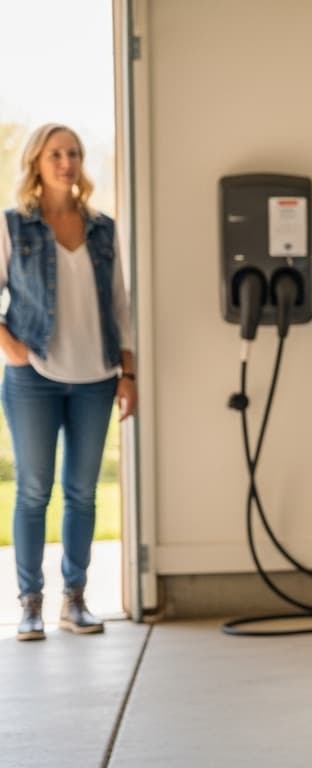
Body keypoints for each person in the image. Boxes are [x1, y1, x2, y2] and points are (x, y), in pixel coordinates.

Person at [1, 124, 138, 641]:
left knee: (82, 493)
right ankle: (30, 604)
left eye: (74, 153)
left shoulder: (102, 229)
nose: (67, 161)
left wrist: (128, 373)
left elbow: (121, 308)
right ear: (37, 161)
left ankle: (74, 601)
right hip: (32, 378)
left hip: (97, 375)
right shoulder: (14, 226)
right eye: (56, 153)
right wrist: (13, 350)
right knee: (34, 490)